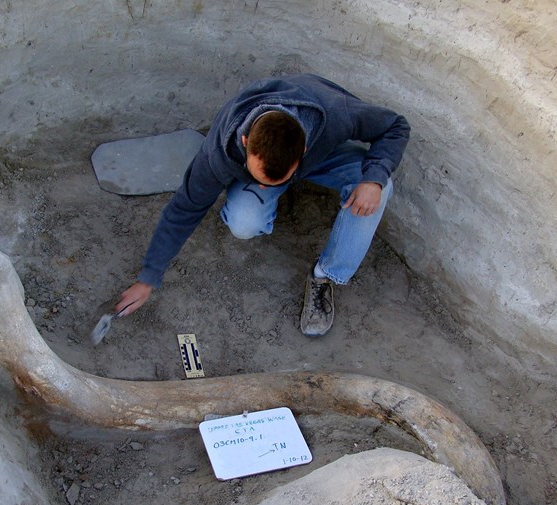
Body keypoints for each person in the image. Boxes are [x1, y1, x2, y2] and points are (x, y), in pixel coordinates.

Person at [116, 73, 410, 336]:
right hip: (277, 159)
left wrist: (374, 178)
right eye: (260, 178)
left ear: (304, 150)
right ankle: (261, 190)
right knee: (245, 222)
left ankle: (324, 276)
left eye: (278, 180)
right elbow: (184, 209)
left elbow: (396, 126)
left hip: (325, 157)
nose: (268, 186)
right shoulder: (219, 150)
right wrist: (148, 277)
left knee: (380, 187)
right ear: (245, 142)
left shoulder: (336, 113)